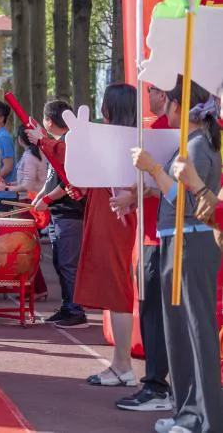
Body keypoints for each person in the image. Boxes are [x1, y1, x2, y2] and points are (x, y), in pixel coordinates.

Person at [133, 77, 222, 433]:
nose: (163, 108)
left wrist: (153, 168)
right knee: (178, 330)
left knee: (196, 329)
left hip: (192, 239)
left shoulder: (199, 145)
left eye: (167, 101)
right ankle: (186, 410)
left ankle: (204, 417)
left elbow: (187, 203)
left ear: (178, 105)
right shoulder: (192, 142)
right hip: (177, 239)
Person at [73, 84, 140, 387]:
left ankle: (123, 365)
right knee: (116, 289)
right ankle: (119, 363)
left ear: (109, 108)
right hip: (117, 214)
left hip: (116, 216)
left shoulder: (114, 141)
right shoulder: (133, 139)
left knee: (117, 289)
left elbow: (79, 173)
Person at [118, 83, 174, 412]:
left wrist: (137, 194)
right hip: (153, 232)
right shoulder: (158, 129)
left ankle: (158, 386)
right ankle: (159, 383)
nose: (148, 96)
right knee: (154, 309)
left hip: (163, 234)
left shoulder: (169, 132)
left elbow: (166, 184)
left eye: (152, 89)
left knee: (156, 310)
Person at [28, 100, 87, 329]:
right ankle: (67, 306)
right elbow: (55, 179)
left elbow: (69, 182)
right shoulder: (59, 144)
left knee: (68, 264)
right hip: (59, 213)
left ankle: (75, 309)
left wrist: (46, 198)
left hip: (70, 213)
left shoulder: (68, 145)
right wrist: (41, 195)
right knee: (61, 263)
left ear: (49, 122)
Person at [0, 125, 49, 299]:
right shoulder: (39, 154)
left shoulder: (29, 157)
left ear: (20, 140)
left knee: (25, 248)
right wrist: (9, 185)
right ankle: (34, 287)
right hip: (29, 202)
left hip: (28, 203)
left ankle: (36, 288)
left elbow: (27, 185)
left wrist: (6, 186)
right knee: (27, 247)